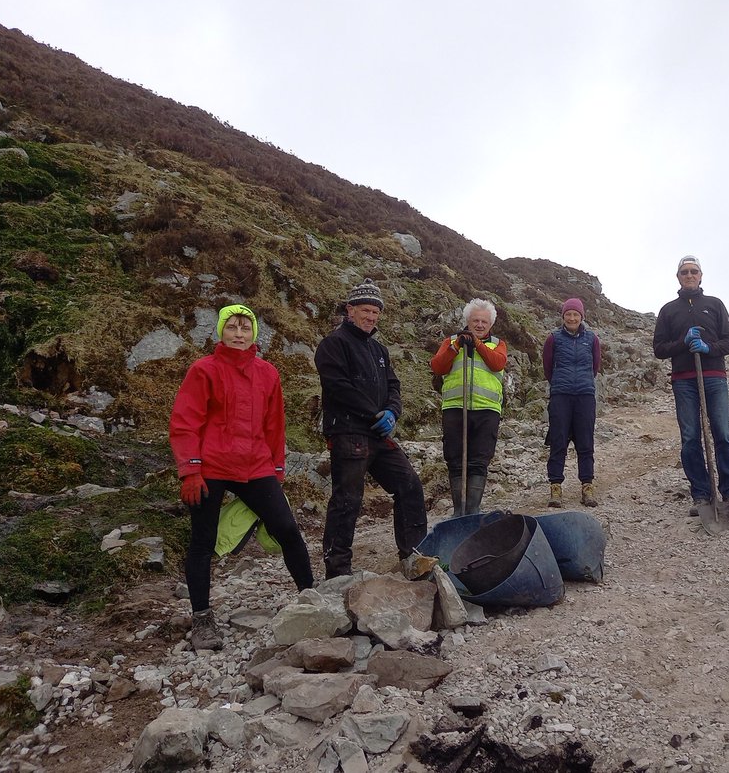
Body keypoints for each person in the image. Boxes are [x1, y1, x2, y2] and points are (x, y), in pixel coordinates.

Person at [170, 303, 314, 651]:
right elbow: (185, 421)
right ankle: (202, 618)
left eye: (245, 328)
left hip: (256, 466)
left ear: (253, 334)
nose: (238, 334)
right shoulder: (203, 370)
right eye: (232, 327)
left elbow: (274, 425)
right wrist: (190, 470)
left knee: (288, 530)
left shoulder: (267, 373)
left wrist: (277, 468)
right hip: (211, 467)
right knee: (202, 542)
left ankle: (312, 598)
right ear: (221, 331)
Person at [314, 279, 428, 579]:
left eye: (376, 312)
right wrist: (374, 412)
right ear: (350, 310)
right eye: (366, 310)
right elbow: (337, 387)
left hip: (379, 434)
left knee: (409, 484)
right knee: (347, 499)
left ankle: (413, 556)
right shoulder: (333, 344)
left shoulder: (378, 349)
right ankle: (337, 572)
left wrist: (392, 411)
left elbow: (393, 384)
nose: (371, 317)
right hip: (348, 433)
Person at [652, 255, 729, 516]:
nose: (689, 275)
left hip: (714, 376)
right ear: (678, 277)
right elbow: (659, 349)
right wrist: (683, 343)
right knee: (690, 438)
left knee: (722, 433)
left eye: (693, 271)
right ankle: (701, 495)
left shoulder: (714, 305)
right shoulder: (668, 310)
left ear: (701, 275)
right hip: (683, 380)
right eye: (684, 272)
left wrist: (708, 348)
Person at [431, 298, 508, 516]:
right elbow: (437, 366)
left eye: (484, 321)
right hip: (455, 407)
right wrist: (456, 347)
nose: (480, 325)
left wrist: (478, 344)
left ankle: (473, 509)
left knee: (479, 460)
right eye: (475, 320)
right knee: (455, 459)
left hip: (487, 410)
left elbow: (497, 363)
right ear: (467, 320)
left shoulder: (497, 343)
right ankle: (459, 510)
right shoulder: (452, 341)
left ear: (490, 324)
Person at [543, 297, 602, 508]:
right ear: (563, 316)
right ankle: (555, 488)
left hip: (585, 395)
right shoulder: (553, 338)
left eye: (576, 314)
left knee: (585, 442)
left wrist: (582, 383)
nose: (572, 317)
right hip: (561, 395)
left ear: (581, 316)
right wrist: (561, 383)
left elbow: (595, 366)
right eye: (568, 314)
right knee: (558, 441)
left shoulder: (592, 339)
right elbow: (548, 367)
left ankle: (587, 486)